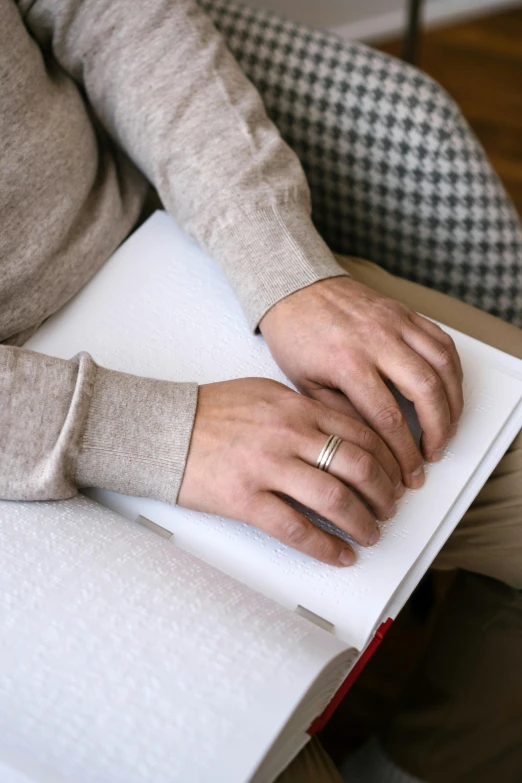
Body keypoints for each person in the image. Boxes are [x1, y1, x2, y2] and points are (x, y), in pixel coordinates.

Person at [0, 0, 520, 781]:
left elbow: (110, 13)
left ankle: (427, 760)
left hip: (154, 256)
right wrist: (157, 432)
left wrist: (282, 268)